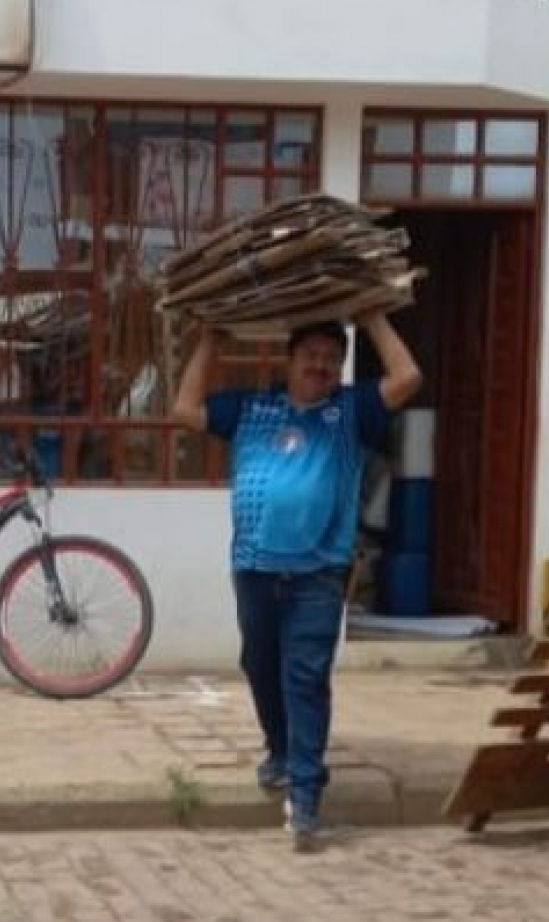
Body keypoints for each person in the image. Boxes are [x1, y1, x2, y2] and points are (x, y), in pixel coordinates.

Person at [172, 312, 421, 851]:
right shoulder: (252, 407)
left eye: (331, 358)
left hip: (319, 573)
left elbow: (407, 378)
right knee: (259, 665)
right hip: (253, 567)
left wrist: (372, 317)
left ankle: (306, 794)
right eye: (310, 355)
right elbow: (185, 410)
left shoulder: (352, 412)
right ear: (289, 361)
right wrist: (211, 339)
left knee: (305, 677)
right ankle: (281, 751)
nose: (320, 365)